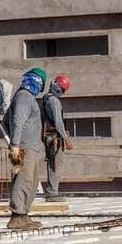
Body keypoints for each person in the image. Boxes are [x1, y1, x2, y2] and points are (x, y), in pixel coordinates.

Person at [4, 67, 46, 230]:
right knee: (23, 180)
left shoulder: (23, 96)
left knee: (31, 181)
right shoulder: (24, 96)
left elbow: (6, 120)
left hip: (24, 147)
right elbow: (16, 121)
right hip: (23, 148)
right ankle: (17, 217)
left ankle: (23, 214)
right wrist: (15, 144)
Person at [41, 74, 73, 202]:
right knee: (55, 165)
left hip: (49, 135)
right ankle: (52, 193)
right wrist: (66, 138)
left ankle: (51, 191)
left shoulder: (45, 98)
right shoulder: (54, 101)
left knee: (52, 164)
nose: (63, 92)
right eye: (63, 89)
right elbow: (58, 122)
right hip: (54, 137)